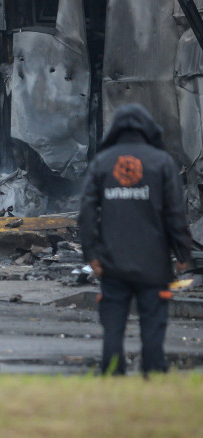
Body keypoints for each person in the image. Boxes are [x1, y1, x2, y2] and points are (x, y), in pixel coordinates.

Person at [78, 103, 192, 376]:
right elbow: (176, 214)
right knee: (153, 322)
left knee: (113, 324)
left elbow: (85, 214)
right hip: (154, 265)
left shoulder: (102, 163)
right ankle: (153, 373)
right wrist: (183, 255)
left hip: (112, 263)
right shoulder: (162, 162)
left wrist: (92, 255)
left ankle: (113, 373)